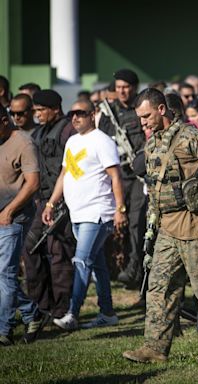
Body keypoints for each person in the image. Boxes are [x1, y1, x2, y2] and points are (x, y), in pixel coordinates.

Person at [123, 88, 198, 363]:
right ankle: (155, 348)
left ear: (162, 110)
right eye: (140, 118)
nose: (143, 122)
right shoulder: (152, 144)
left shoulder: (193, 138)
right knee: (159, 288)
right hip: (167, 229)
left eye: (147, 116)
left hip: (197, 228)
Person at [43, 100, 127, 330]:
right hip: (77, 214)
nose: (75, 117)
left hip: (97, 212)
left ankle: (72, 313)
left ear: (93, 115)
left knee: (81, 261)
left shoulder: (102, 141)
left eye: (81, 113)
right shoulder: (72, 141)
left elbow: (116, 176)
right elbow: (64, 175)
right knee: (97, 265)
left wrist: (120, 210)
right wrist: (51, 203)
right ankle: (108, 313)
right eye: (73, 113)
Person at [23, 89, 76, 320]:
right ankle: (41, 306)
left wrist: (58, 202)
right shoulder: (38, 133)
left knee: (59, 254)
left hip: (62, 203)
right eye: (35, 110)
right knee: (31, 249)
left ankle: (61, 309)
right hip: (42, 202)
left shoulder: (68, 132)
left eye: (41, 110)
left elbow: (73, 170)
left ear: (56, 109)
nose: (37, 114)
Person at [0, 104, 47, 346]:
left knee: (5, 273)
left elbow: (33, 183)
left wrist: (9, 210)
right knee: (2, 277)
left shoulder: (24, 143)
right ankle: (32, 313)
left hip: (14, 217)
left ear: (4, 121)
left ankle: (4, 330)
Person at [98, 69, 147, 289]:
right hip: (117, 174)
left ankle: (135, 268)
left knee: (137, 222)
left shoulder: (142, 109)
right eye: (118, 87)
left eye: (126, 87)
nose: (122, 91)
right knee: (116, 223)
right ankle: (117, 266)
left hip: (138, 176)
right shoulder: (109, 113)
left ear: (134, 88)